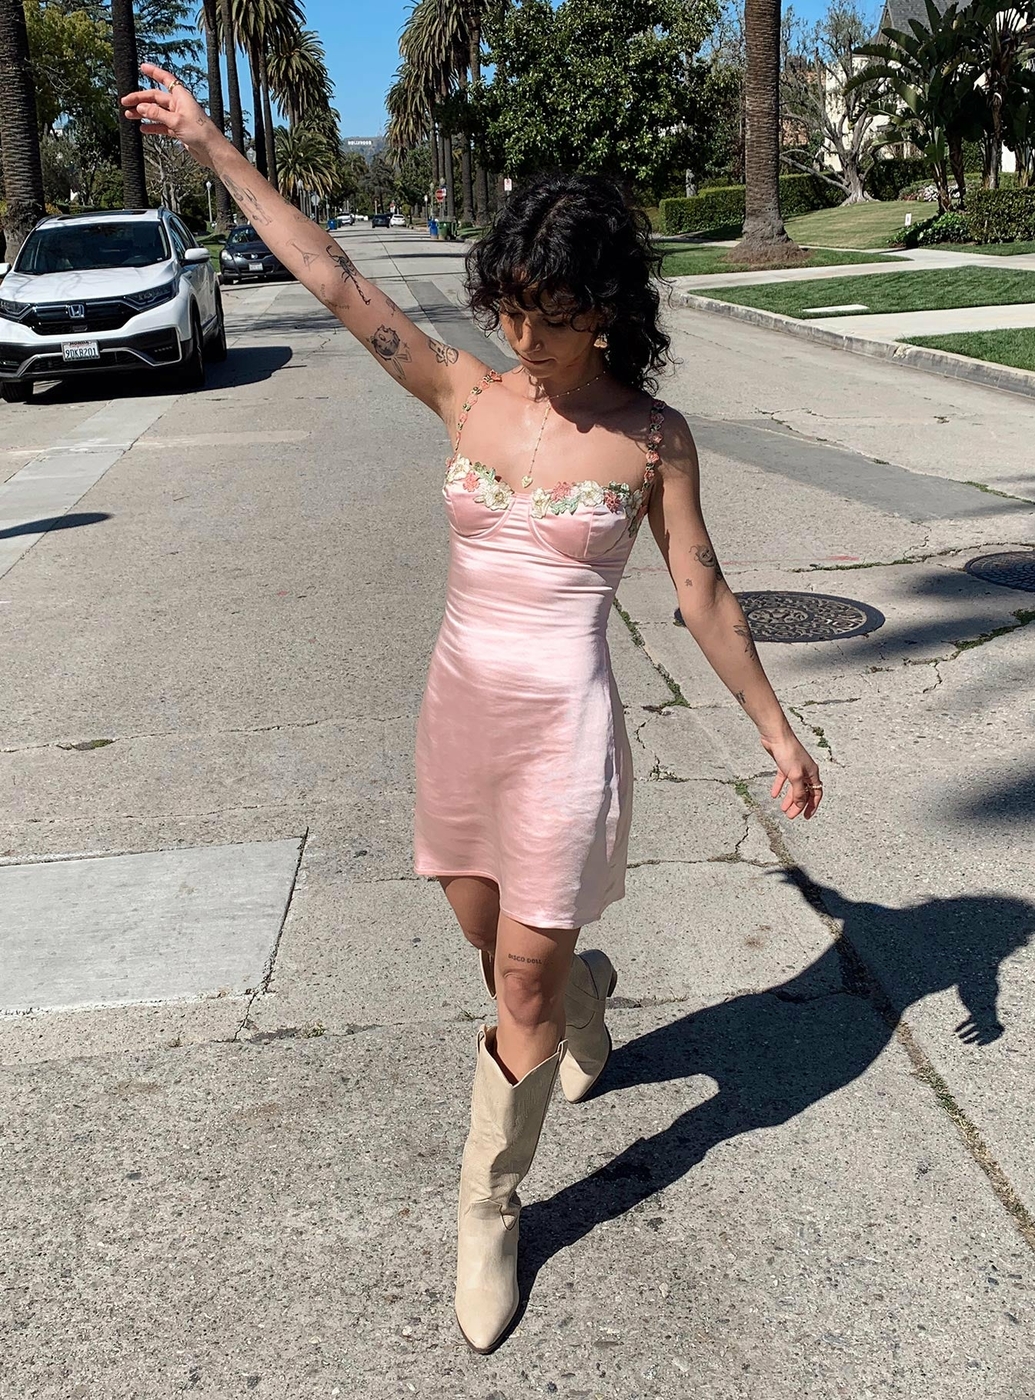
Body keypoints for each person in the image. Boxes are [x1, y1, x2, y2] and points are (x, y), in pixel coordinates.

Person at [123, 64, 824, 1355]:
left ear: (608, 312)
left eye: (551, 317)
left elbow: (705, 590)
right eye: (509, 307)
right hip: (458, 717)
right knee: (493, 945)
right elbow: (334, 274)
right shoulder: (464, 389)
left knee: (516, 982)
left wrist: (777, 729)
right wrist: (213, 146)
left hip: (563, 737)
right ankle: (584, 993)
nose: (523, 338)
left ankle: (489, 1207)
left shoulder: (654, 440)